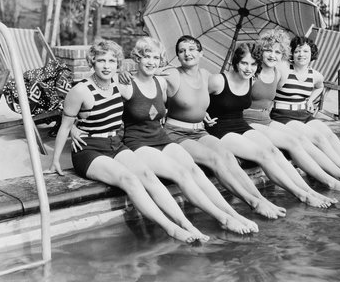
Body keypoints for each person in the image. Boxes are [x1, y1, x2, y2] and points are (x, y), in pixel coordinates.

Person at [46, 39, 208, 243]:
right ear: (92, 62)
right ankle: (171, 229)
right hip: (89, 150)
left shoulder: (119, 83)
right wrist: (56, 159)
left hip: (115, 143)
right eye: (101, 60)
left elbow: (146, 80)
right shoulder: (81, 90)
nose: (106, 66)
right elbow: (65, 122)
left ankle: (186, 224)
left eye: (112, 61)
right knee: (129, 180)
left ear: (118, 64)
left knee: (148, 175)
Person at [115, 37, 257, 234]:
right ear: (137, 58)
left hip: (161, 138)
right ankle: (221, 218)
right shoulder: (126, 84)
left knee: (195, 171)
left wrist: (202, 111)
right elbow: (98, 97)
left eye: (155, 57)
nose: (151, 61)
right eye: (146, 57)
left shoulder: (161, 83)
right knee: (181, 174)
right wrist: (76, 128)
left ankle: (233, 213)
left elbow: (182, 98)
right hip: (138, 142)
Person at [159, 35, 286, 219]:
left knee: (228, 157)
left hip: (200, 130)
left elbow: (206, 100)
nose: (187, 53)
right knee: (215, 159)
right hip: (176, 132)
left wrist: (204, 112)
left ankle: (260, 199)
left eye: (192, 49)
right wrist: (126, 74)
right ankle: (251, 203)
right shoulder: (173, 73)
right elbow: (151, 73)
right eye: (182, 50)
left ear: (201, 53)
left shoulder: (205, 75)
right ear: (177, 56)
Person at [206, 42, 336, 209]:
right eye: (244, 63)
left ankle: (309, 190)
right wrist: (202, 114)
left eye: (253, 64)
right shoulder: (218, 80)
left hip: (241, 124)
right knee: (262, 155)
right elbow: (196, 100)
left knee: (274, 151)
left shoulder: (251, 80)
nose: (248, 68)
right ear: (235, 62)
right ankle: (301, 195)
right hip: (220, 128)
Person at [243, 29, 340, 192]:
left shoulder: (278, 73)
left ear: (283, 55)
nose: (273, 55)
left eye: (277, 52)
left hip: (270, 118)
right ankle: (335, 179)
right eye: (268, 50)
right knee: (303, 140)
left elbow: (317, 86)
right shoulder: (256, 71)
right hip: (263, 118)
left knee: (321, 137)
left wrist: (309, 100)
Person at [270, 35, 340, 188]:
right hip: (283, 116)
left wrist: (310, 100)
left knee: (330, 136)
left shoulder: (315, 75)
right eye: (297, 51)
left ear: (312, 54)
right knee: (319, 138)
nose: (301, 54)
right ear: (292, 53)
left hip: (304, 114)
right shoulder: (284, 69)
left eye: (305, 51)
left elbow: (320, 87)